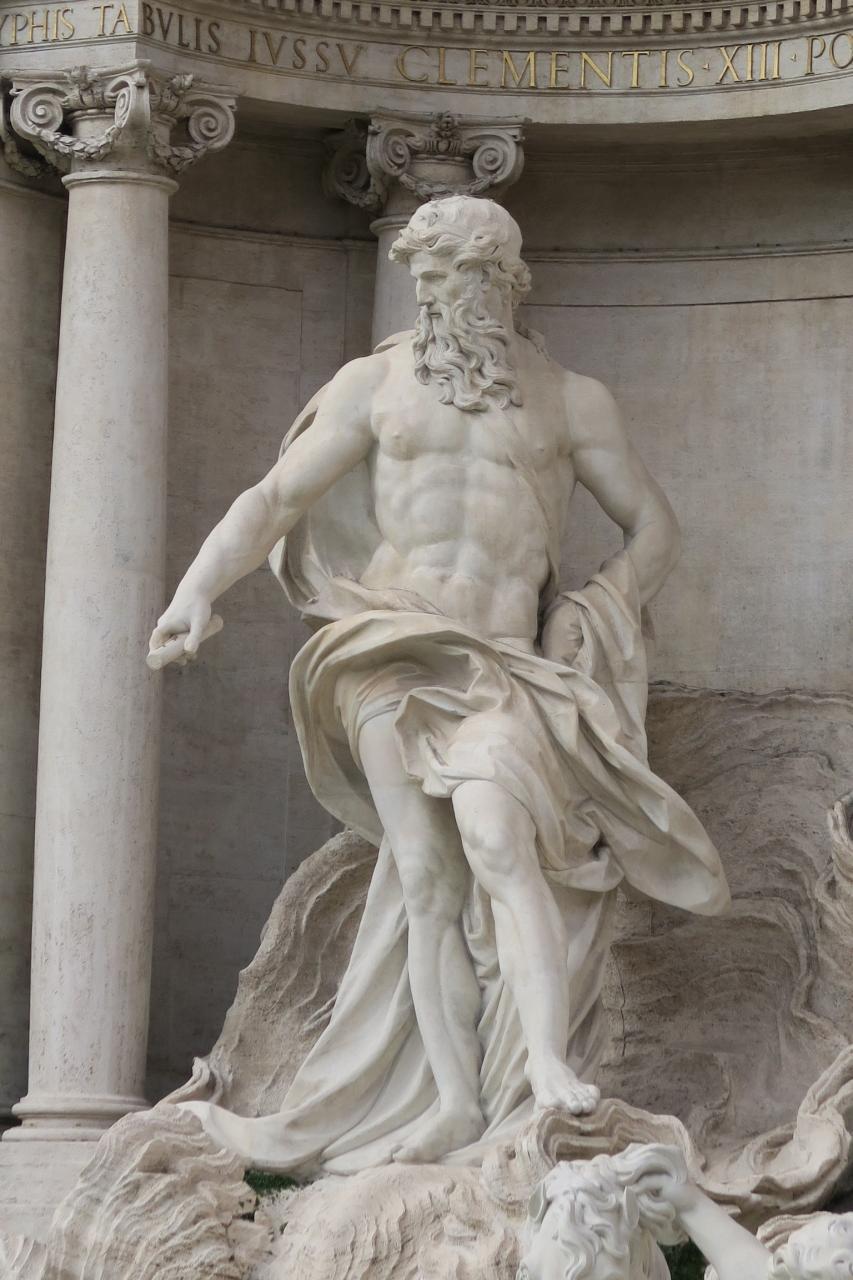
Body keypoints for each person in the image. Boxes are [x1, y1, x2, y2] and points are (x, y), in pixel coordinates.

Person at [150, 195, 730, 1173]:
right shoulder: (372, 385)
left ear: (498, 279)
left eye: (445, 278)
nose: (427, 299)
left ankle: (543, 1063)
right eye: (418, 280)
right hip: (385, 650)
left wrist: (595, 605)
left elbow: (654, 526)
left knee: (498, 837)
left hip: (500, 663)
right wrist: (195, 591)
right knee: (423, 878)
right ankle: (455, 1102)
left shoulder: (569, 400)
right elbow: (276, 496)